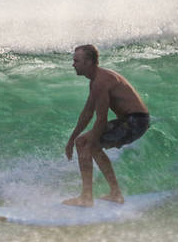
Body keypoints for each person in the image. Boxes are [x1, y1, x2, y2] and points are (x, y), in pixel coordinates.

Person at [63, 44, 150, 207]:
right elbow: (87, 114)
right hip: (132, 121)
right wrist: (70, 140)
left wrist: (90, 144)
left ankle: (87, 197)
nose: (73, 64)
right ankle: (114, 193)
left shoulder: (101, 81)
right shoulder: (95, 81)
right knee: (83, 142)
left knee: (86, 144)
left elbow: (101, 118)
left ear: (88, 62)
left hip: (135, 122)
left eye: (76, 61)